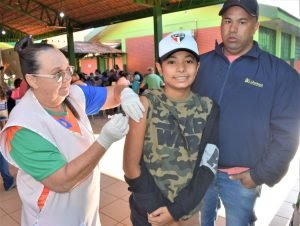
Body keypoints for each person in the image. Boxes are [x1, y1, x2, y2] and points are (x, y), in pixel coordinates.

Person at [0, 35, 145, 226]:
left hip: (86, 215)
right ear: (33, 80)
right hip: (53, 219)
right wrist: (105, 140)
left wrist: (125, 93)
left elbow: (113, 93)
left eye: (68, 70)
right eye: (58, 74)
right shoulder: (23, 128)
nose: (68, 79)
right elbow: (62, 181)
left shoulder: (73, 95)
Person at [192, 0, 300, 225]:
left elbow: (288, 135)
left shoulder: (280, 74)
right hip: (201, 170)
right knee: (203, 221)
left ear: (256, 26)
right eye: (227, 21)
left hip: (240, 178)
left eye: (242, 22)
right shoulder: (200, 65)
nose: (232, 29)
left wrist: (260, 175)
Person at [123, 30, 220, 226]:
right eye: (172, 61)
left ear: (198, 66)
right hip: (150, 212)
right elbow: (131, 167)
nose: (181, 68)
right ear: (159, 67)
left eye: (189, 61)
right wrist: (162, 213)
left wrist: (176, 212)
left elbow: (208, 165)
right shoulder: (146, 103)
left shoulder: (209, 107)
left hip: (189, 211)